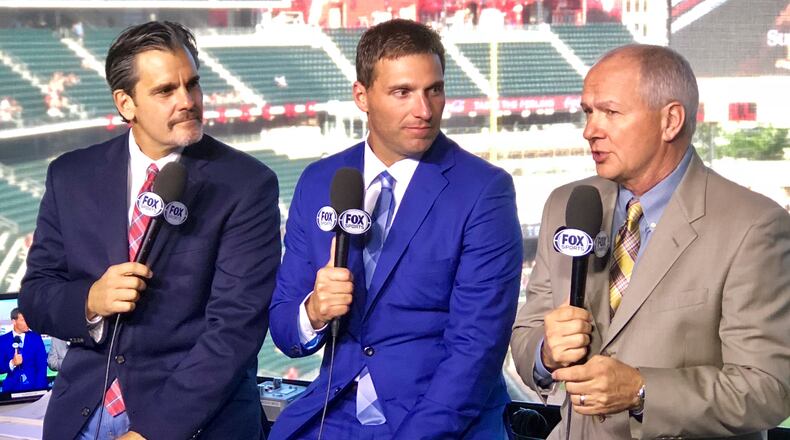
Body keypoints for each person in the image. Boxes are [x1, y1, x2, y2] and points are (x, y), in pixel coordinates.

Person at [510, 44, 790, 439]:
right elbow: (527, 335)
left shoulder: (753, 225)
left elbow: (768, 389)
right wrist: (545, 353)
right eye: (588, 112)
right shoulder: (568, 204)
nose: (590, 129)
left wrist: (641, 390)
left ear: (670, 121)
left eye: (610, 112)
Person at [19, 21, 281, 440]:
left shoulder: (246, 185)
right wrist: (90, 299)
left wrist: (152, 433)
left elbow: (234, 330)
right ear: (126, 103)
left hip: (191, 424)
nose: (188, 101)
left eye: (192, 85)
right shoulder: (70, 176)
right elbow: (36, 295)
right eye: (165, 91)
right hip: (81, 418)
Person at [268, 19, 523, 439]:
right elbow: (284, 328)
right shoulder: (319, 181)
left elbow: (474, 353)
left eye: (434, 90)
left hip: (438, 418)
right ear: (362, 96)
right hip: (334, 413)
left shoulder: (484, 190)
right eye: (403, 92)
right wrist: (313, 312)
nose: (424, 110)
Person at [0, 309, 48, 393]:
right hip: (11, 388)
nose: (27, 322)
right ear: (14, 321)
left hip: (34, 387)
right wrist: (12, 363)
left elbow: (42, 366)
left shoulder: (36, 338)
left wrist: (38, 390)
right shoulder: (3, 340)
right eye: (23, 320)